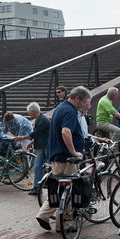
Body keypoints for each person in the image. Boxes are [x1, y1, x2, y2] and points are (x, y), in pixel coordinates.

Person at [36, 86, 90, 231]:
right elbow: (66, 132)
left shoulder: (60, 107)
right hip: (66, 158)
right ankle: (63, 225)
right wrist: (74, 152)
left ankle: (46, 217)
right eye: (85, 101)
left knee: (60, 189)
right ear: (77, 99)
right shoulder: (70, 111)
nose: (85, 105)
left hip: (56, 155)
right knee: (69, 190)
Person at [27, 103, 50, 195]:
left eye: (29, 112)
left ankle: (48, 185)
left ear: (33, 111)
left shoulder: (43, 120)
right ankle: (37, 187)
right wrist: (31, 143)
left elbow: (36, 133)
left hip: (47, 146)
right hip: (41, 146)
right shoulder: (39, 119)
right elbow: (38, 134)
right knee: (37, 166)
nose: (29, 114)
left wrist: (23, 137)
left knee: (48, 166)